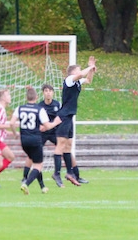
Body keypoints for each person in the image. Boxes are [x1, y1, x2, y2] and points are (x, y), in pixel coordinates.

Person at [41, 56, 97, 187]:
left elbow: (88, 80)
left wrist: (91, 70)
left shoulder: (77, 83)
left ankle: (70, 173)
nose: (80, 71)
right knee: (61, 144)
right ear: (73, 72)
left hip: (70, 116)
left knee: (68, 145)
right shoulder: (69, 80)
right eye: (78, 70)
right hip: (64, 115)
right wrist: (89, 66)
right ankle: (56, 173)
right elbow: (81, 74)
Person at [13, 86, 50, 194]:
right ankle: (26, 183)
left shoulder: (20, 108)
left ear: (26, 97)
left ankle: (42, 187)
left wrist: (15, 134)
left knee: (35, 162)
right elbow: (47, 126)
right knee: (38, 165)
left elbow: (11, 123)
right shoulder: (39, 109)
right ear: (37, 97)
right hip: (35, 140)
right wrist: (55, 123)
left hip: (24, 140)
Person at [40, 83, 64, 187]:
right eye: (46, 91)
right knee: (34, 153)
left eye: (50, 91)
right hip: (43, 133)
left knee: (63, 149)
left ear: (53, 93)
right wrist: (41, 126)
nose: (48, 93)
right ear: (43, 93)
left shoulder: (57, 104)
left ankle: (58, 174)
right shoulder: (40, 106)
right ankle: (26, 176)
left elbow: (61, 118)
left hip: (54, 132)